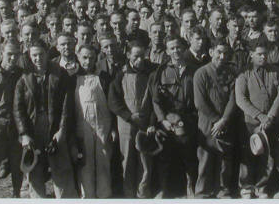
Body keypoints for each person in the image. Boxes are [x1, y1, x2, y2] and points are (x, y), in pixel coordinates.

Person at [13, 40, 78, 198]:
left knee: (61, 170)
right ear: (29, 56)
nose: (38, 58)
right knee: (34, 171)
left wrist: (61, 131)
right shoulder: (23, 78)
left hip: (54, 126)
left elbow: (66, 105)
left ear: (47, 54)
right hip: (33, 128)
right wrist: (24, 134)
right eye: (34, 55)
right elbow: (18, 108)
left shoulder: (59, 73)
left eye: (41, 54)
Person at [235, 40, 279, 199]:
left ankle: (262, 187)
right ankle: (246, 187)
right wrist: (259, 116)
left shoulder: (275, 71)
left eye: (265, 54)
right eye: (259, 54)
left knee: (267, 157)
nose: (263, 57)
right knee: (248, 156)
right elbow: (241, 99)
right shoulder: (243, 73)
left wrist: (271, 117)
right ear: (251, 55)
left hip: (271, 123)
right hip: (250, 123)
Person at [150, 35, 198, 198]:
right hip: (168, 120)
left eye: (178, 47)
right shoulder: (161, 71)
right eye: (172, 48)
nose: (176, 51)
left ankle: (190, 187)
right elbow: (156, 100)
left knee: (189, 156)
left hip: (189, 119)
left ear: (183, 48)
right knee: (166, 157)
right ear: (167, 51)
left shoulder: (193, 69)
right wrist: (163, 119)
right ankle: (165, 190)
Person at [108, 40, 156, 198]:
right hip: (126, 123)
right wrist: (129, 116)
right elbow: (113, 101)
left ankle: (143, 193)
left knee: (145, 159)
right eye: (136, 56)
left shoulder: (151, 73)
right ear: (128, 55)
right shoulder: (120, 74)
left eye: (142, 56)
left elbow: (156, 100)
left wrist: (151, 123)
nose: (140, 60)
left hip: (145, 123)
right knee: (127, 159)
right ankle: (128, 194)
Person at [193, 40, 237, 198]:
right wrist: (216, 120)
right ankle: (202, 192)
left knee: (225, 161)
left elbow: (234, 99)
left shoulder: (231, 74)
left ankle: (223, 191)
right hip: (207, 124)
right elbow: (199, 102)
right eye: (219, 52)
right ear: (211, 52)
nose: (222, 56)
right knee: (205, 159)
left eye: (225, 53)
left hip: (225, 123)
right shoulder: (201, 73)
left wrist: (224, 120)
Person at [73, 44, 114, 198]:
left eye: (91, 58)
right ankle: (87, 196)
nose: (88, 61)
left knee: (103, 160)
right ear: (78, 56)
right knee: (85, 163)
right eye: (84, 57)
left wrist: (113, 128)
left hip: (103, 124)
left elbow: (111, 103)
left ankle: (104, 195)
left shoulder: (104, 78)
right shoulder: (72, 78)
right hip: (82, 125)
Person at [0, 40, 24, 198]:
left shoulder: (21, 75)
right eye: (9, 54)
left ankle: (16, 196)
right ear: (1, 54)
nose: (13, 58)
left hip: (15, 126)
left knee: (18, 168)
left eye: (16, 55)